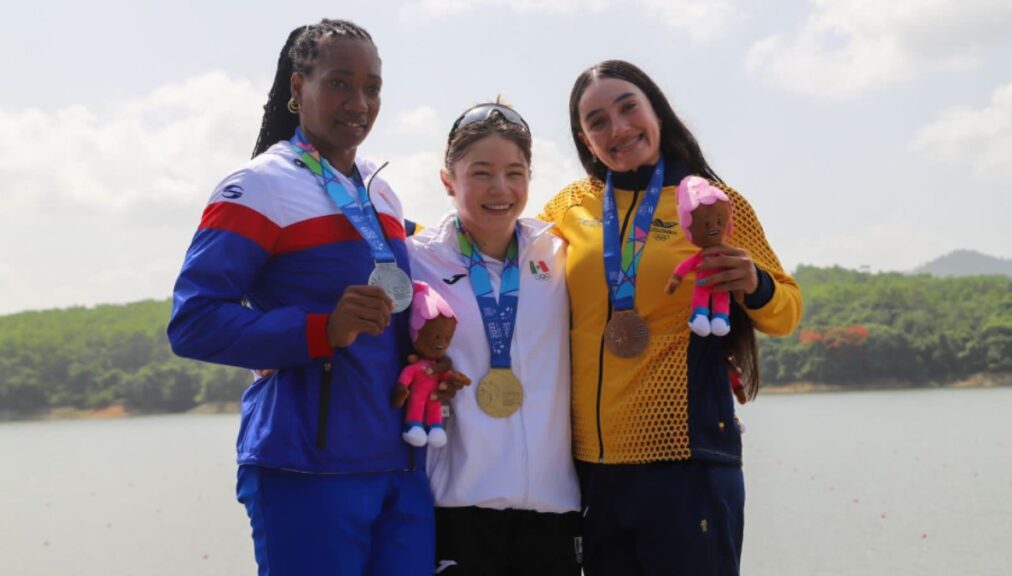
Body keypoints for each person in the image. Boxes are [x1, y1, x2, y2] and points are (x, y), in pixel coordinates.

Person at [168, 19, 464, 576]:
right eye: (339, 83)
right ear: (298, 86)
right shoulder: (255, 187)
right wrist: (318, 330)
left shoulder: (382, 188)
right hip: (304, 467)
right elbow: (192, 322)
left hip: (400, 467)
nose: (359, 101)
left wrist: (425, 355)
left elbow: (397, 306)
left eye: (372, 87)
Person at [538, 60, 804, 575]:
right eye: (597, 121)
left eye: (628, 107)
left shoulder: (712, 201)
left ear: (656, 111)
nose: (617, 128)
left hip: (686, 459)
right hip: (590, 468)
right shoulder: (568, 206)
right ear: (583, 138)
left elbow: (786, 313)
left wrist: (754, 282)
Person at [406, 102, 582, 575]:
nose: (501, 189)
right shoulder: (416, 258)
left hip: (553, 511)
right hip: (459, 507)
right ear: (448, 180)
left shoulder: (560, 251)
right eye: (481, 173)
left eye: (515, 172)